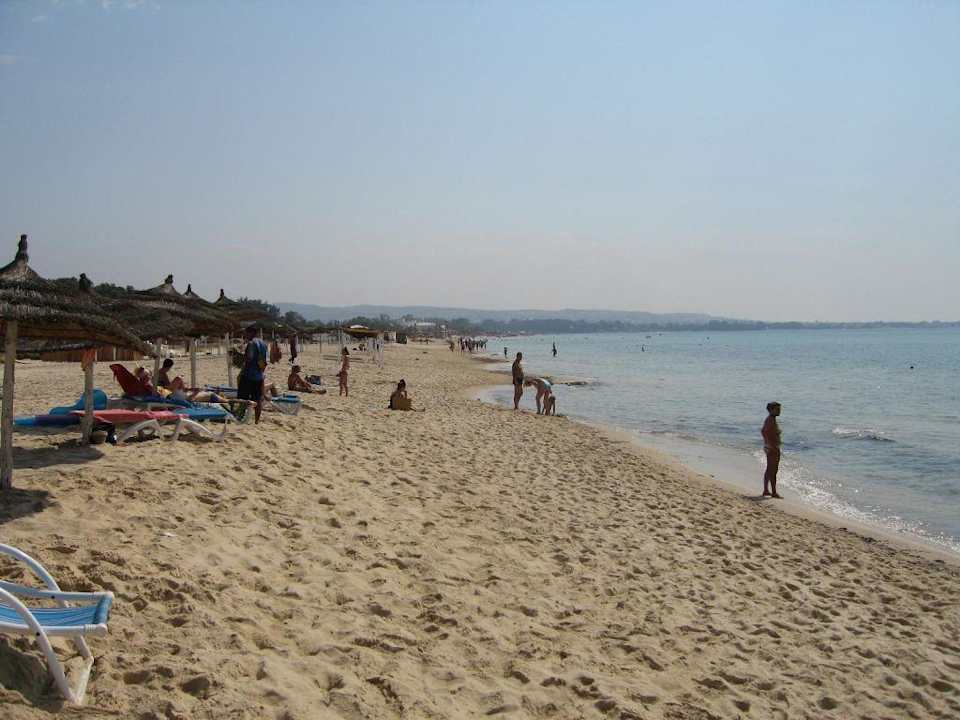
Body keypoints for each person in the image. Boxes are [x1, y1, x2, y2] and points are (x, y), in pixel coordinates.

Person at [238, 326, 268, 424]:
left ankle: (240, 417)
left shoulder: (251, 343)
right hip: (259, 376)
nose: (245, 335)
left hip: (248, 375)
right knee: (258, 399)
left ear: (251, 333)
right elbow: (264, 360)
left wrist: (239, 356)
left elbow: (249, 358)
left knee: (242, 398)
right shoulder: (263, 343)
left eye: (246, 333)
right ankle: (256, 420)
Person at [761, 402, 783, 498]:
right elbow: (764, 431)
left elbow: (764, 431)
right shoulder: (770, 420)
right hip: (772, 448)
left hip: (771, 447)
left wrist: (767, 443)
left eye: (779, 409)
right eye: (777, 409)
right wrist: (769, 444)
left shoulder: (771, 419)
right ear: (771, 410)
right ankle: (773, 492)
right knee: (773, 470)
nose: (779, 411)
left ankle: (766, 490)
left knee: (770, 469)